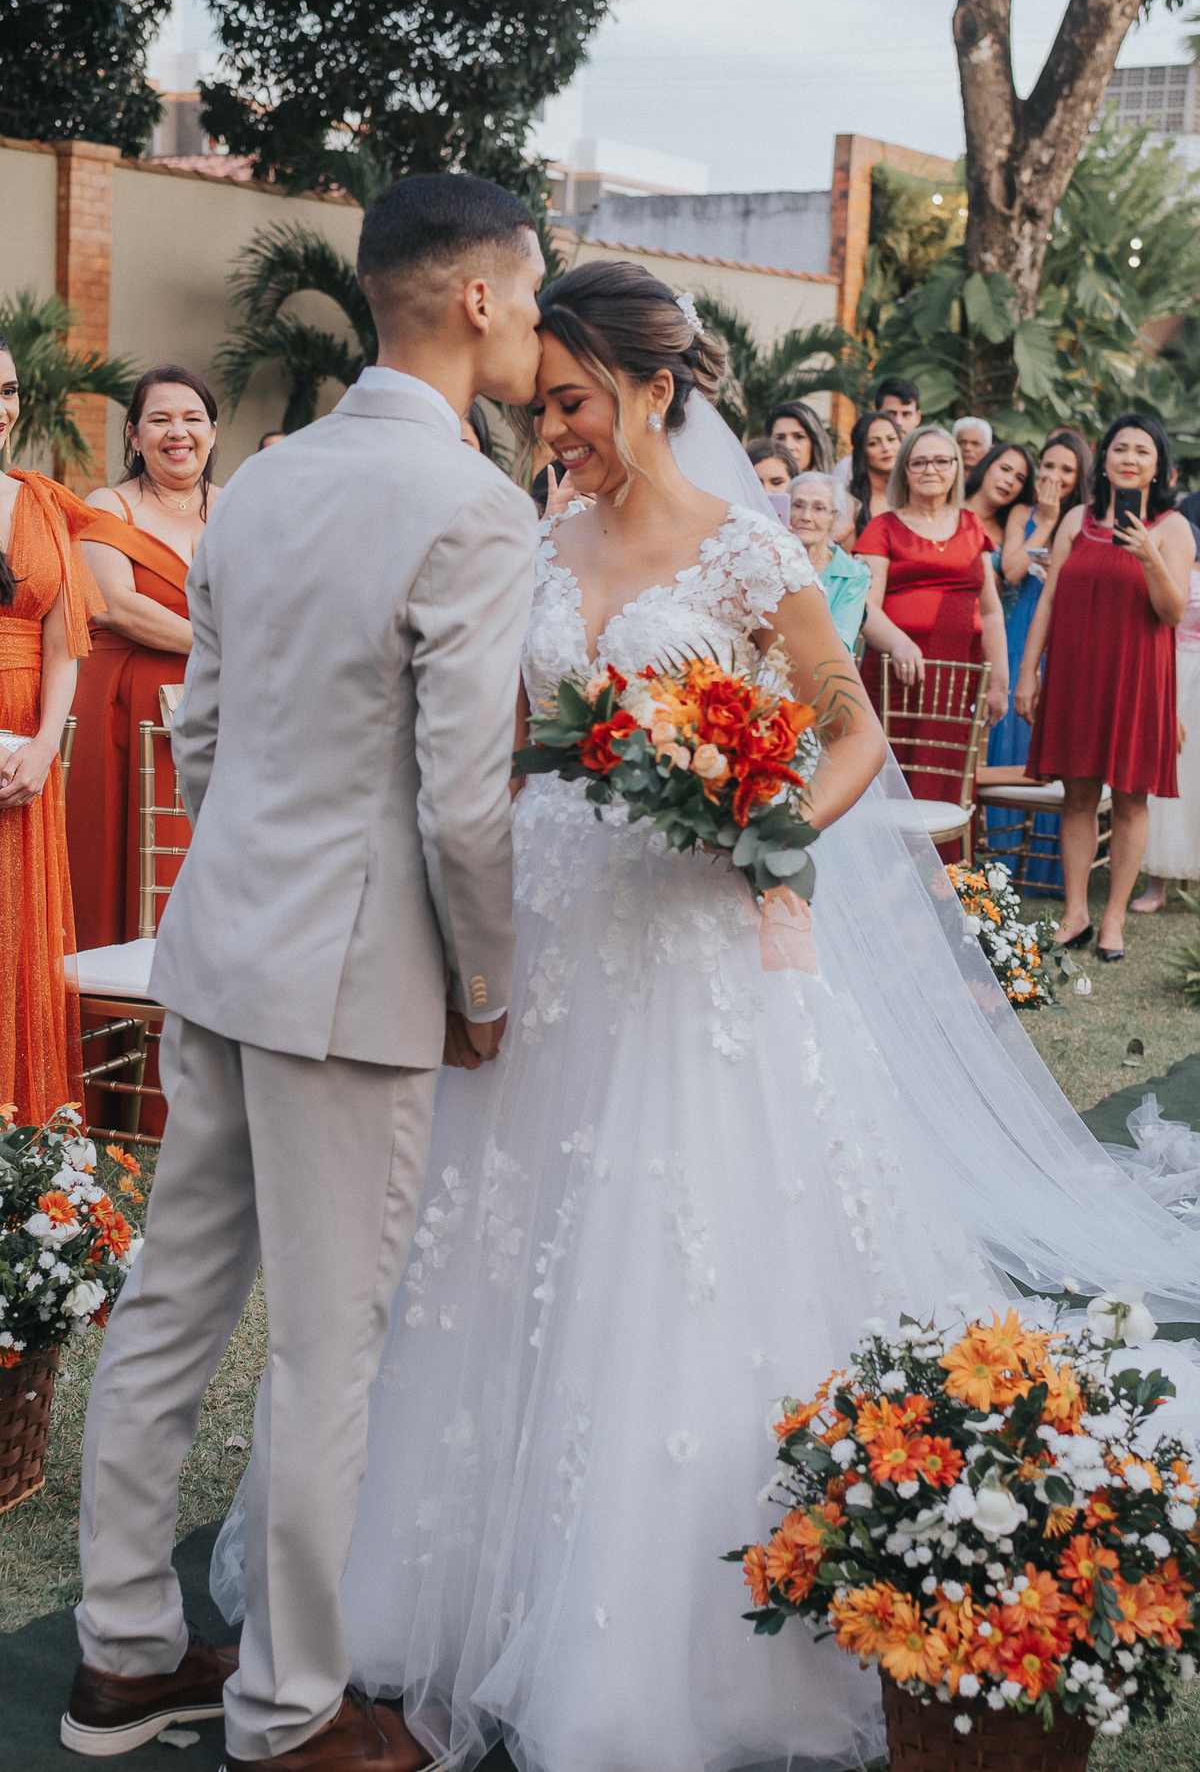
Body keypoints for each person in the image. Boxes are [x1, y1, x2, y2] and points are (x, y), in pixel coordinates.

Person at [198, 257, 1200, 1772]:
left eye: (576, 405)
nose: (554, 434)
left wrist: (773, 821)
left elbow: (850, 725)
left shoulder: (747, 551)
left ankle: (663, 1638)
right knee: (488, 1247)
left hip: (693, 946)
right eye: (543, 410)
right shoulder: (529, 535)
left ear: (655, 388)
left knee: (680, 1258)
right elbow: (495, 741)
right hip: (539, 936)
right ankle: (412, 1587)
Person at [65, 172, 546, 1772]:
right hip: (350, 984)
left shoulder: (265, 479)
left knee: (169, 1305)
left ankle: (124, 1649)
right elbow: (462, 801)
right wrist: (485, 989)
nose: (535, 322)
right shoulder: (474, 507)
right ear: (476, 298)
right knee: (328, 1352)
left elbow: (202, 729)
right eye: (530, 291)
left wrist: (252, 880)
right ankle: (288, 1709)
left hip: (217, 944)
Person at [1017, 412, 1193, 959]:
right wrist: (1028, 672)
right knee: (1077, 796)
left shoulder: (1172, 528)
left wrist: (1148, 556)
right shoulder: (1077, 520)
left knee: (1131, 800)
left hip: (1137, 676)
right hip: (1075, 674)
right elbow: (1048, 599)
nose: (1129, 459)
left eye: (1142, 451)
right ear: (1105, 458)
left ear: (1159, 466)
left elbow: (1172, 612)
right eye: (1120, 448)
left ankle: (1113, 918)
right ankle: (1076, 914)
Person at [65, 367, 220, 951]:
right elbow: (114, 605)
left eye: (192, 418)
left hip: (218, 707)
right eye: (159, 419)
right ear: (133, 433)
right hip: (124, 705)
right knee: (115, 853)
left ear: (212, 431)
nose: (177, 432)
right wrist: (225, 648)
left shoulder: (237, 507)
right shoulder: (109, 504)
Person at [0, 336, 103, 1126]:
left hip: (27, 748)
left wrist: (44, 747)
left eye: (7, 392)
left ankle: (17, 1135)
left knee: (19, 932)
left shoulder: (39, 504)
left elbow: (65, 643)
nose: (0, 409)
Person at [856, 427, 1008, 831]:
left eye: (942, 461)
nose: (931, 470)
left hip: (956, 679)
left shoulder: (972, 526)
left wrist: (999, 681)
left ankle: (944, 869)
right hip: (895, 676)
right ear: (904, 470)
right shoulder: (883, 527)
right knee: (890, 776)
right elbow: (865, 606)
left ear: (956, 468)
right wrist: (899, 643)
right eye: (919, 462)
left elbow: (991, 611)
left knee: (947, 777)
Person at [985, 429, 1092, 886]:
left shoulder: (1089, 520)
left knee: (1054, 741)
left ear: (1081, 476)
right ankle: (1000, 860)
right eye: (1048, 466)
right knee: (1010, 734)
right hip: (1020, 629)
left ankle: (1048, 865)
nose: (1055, 476)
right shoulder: (1022, 514)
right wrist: (1045, 521)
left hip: (1066, 633)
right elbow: (1011, 571)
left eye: (1067, 469)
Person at [1133, 562, 1200, 911]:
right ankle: (1156, 884)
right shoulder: (1179, 562)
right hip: (1177, 673)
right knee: (1173, 777)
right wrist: (1166, 705)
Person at [789, 469, 870, 650]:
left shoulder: (854, 573)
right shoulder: (769, 563)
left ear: (834, 518)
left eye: (819, 508)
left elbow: (840, 643)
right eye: (798, 505)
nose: (806, 517)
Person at [832, 375, 921, 484]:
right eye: (890, 414)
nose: (899, 422)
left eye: (906, 414)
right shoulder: (848, 469)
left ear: (918, 417)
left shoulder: (927, 463)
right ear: (875, 413)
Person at [963, 440, 1035, 551]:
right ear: (986, 465)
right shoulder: (944, 507)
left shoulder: (1011, 536)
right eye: (1004, 469)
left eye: (1019, 479)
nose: (1009, 481)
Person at [845, 407, 903, 529]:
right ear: (861, 451)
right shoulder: (849, 502)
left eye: (891, 439)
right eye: (873, 443)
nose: (886, 448)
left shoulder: (915, 494)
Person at [765, 398, 834, 473]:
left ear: (815, 442)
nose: (788, 446)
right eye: (780, 438)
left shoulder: (836, 480)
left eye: (799, 437)